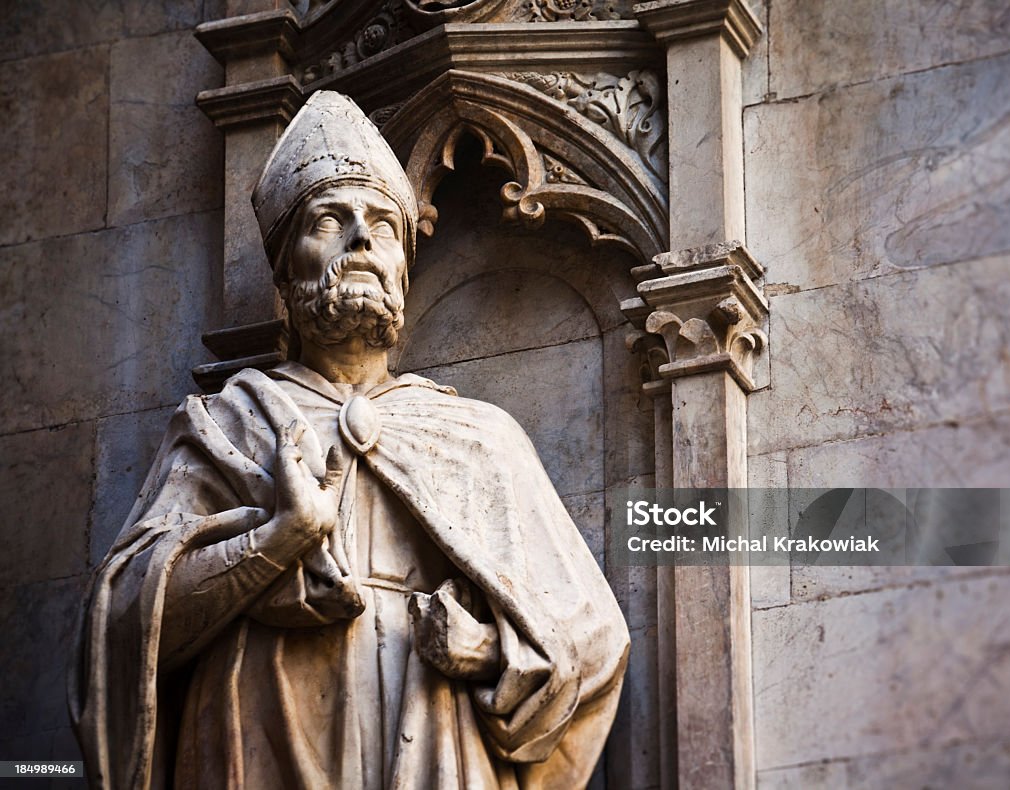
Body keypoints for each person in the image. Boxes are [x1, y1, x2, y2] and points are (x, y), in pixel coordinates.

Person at [70, 91, 629, 789]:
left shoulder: (480, 438)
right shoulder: (228, 423)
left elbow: (595, 636)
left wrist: (488, 649)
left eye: (383, 228)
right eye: (330, 221)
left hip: (428, 731)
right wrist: (277, 538)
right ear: (285, 267)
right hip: (258, 726)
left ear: (402, 267)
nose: (361, 241)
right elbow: (123, 628)